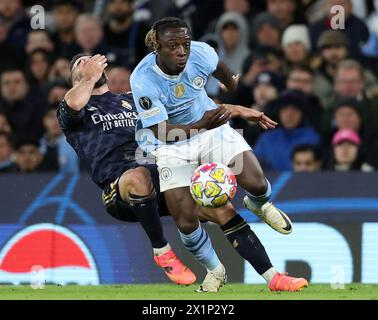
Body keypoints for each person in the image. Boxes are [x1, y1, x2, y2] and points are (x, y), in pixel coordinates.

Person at [131, 17, 308, 292]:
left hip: (212, 130)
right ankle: (215, 270)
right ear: (158, 47)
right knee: (186, 220)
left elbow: (226, 76)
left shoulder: (202, 53)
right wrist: (204, 122)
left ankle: (258, 204)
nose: (181, 51)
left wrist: (230, 88)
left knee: (258, 183)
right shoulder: (142, 79)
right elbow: (162, 131)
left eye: (185, 44)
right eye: (173, 46)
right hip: (172, 143)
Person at [57, 53, 197, 287]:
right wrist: (88, 79)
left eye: (93, 60)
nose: (90, 63)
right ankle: (162, 251)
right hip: (119, 187)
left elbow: (175, 108)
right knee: (137, 176)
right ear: (74, 81)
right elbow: (72, 104)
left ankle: (271, 275)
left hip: (161, 174)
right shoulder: (74, 109)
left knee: (215, 199)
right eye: (82, 63)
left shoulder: (131, 100)